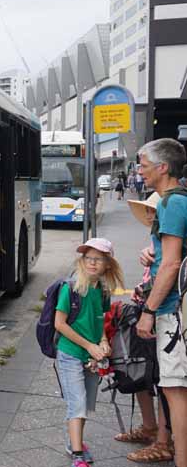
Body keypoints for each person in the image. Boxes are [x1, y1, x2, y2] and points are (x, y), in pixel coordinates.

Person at [135, 138, 187, 467]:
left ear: (162, 168)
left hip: (172, 311)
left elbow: (170, 265)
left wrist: (148, 311)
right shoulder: (178, 200)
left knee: (174, 391)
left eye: (143, 164)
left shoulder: (171, 203)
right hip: (173, 307)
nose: (139, 171)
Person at [114, 192, 174, 463]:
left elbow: (168, 273)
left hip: (161, 315)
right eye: (148, 211)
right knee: (139, 371)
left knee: (163, 382)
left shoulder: (170, 239)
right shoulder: (155, 240)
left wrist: (147, 306)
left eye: (155, 211)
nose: (151, 216)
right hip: (146, 312)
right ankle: (150, 428)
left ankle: (164, 441)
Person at [54, 238, 124, 467]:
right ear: (82, 261)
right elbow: (60, 324)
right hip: (71, 353)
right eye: (88, 258)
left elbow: (100, 320)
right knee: (78, 403)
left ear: (107, 265)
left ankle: (75, 443)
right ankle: (77, 454)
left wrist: (103, 341)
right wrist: (89, 346)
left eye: (99, 259)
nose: (92, 263)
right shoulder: (72, 287)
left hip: (92, 357)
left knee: (85, 404)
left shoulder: (103, 291)